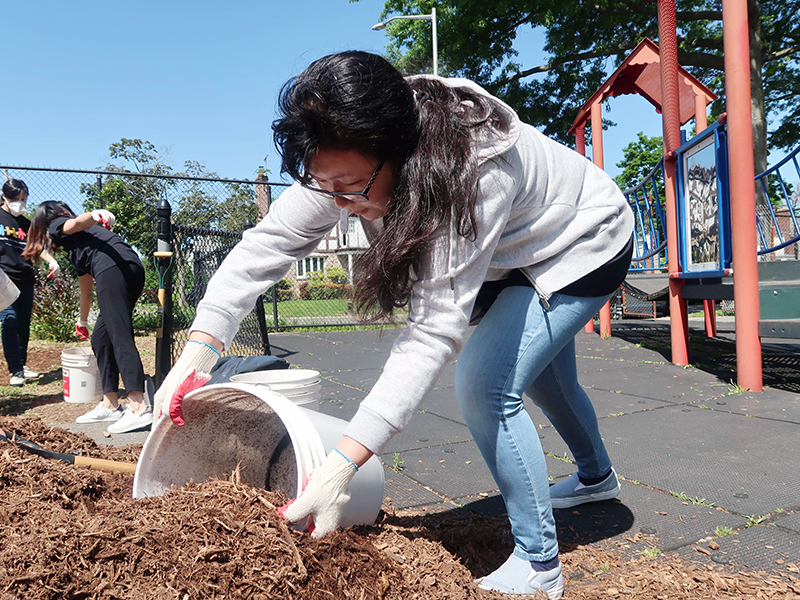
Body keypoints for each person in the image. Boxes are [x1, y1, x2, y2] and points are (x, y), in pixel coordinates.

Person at [153, 51, 634, 599]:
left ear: (399, 154)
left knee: (486, 384)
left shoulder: (469, 172)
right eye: (324, 186)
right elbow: (268, 244)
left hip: (583, 240)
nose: (338, 203)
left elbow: (432, 332)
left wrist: (341, 466)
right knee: (546, 375)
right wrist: (198, 352)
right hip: (510, 249)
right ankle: (598, 478)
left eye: (351, 187)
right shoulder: (347, 151)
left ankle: (538, 564)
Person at [24, 201, 154, 433]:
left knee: (119, 336)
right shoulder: (81, 243)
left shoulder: (58, 225)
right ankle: (110, 404)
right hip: (130, 268)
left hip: (113, 269)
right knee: (101, 338)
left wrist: (94, 214)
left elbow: (75, 221)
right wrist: (82, 321)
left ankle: (139, 408)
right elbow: (86, 289)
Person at [0, 179, 60, 386]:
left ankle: (22, 365)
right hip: (3, 278)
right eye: (15, 199)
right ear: (4, 196)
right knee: (9, 320)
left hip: (24, 278)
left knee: (23, 324)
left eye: (24, 199)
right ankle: (15, 371)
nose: (20, 203)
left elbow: (36, 247)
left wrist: (52, 261)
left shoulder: (26, 224)